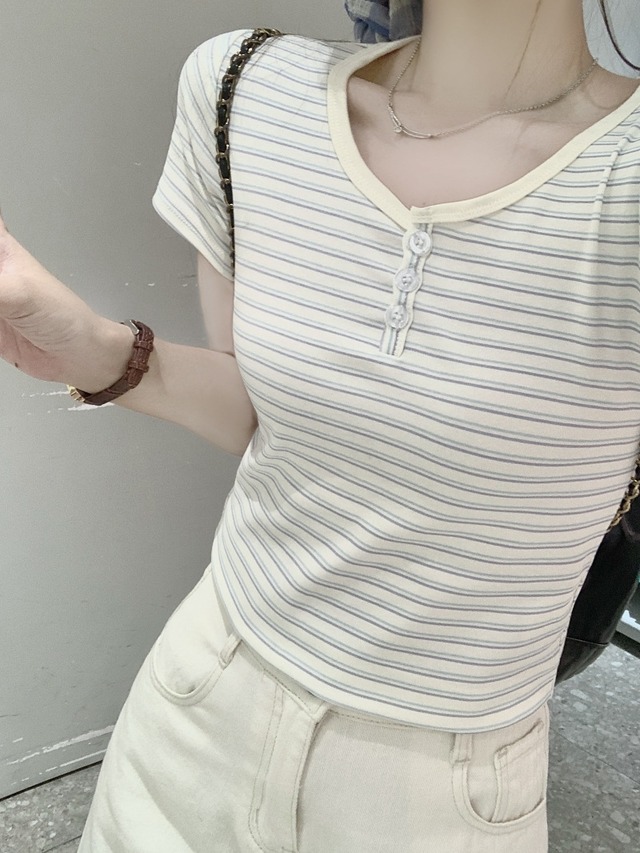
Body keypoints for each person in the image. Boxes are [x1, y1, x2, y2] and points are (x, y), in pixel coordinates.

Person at [1, 1, 639, 850]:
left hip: (442, 790)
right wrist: (87, 346)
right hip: (197, 702)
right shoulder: (244, 89)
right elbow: (262, 413)